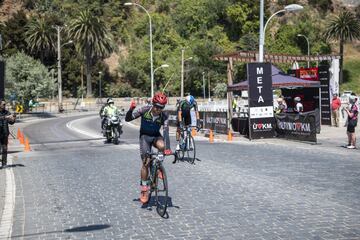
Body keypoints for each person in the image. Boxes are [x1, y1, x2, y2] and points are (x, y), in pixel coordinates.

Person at [125, 92, 171, 204]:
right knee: (146, 162)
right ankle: (144, 189)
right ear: (153, 104)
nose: (158, 109)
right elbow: (128, 119)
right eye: (157, 107)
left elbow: (165, 133)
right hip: (145, 137)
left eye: (161, 107)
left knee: (162, 146)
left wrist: (167, 148)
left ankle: (159, 166)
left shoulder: (164, 116)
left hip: (155, 136)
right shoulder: (145, 110)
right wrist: (131, 110)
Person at [0, 100, 16, 168]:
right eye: (3, 104)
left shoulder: (7, 112)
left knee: (4, 148)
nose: (4, 105)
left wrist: (14, 118)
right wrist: (5, 117)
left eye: (5, 104)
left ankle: (4, 163)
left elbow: (11, 122)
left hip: (4, 133)